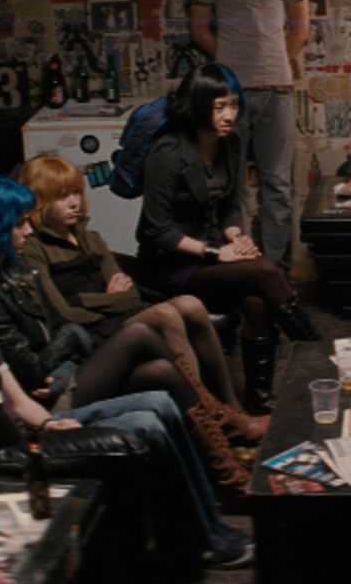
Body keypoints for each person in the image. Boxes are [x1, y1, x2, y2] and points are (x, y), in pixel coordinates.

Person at [0, 225, 253, 572]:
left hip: (36, 430)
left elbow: (19, 401)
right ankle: (195, 541)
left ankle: (207, 522)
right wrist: (37, 437)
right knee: (145, 422)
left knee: (160, 400)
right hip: (9, 451)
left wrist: (50, 424)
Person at [0, 176, 256, 490]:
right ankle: (224, 433)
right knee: (140, 334)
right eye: (18, 224)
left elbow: (59, 326)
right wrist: (70, 344)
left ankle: (221, 462)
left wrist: (67, 350)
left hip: (65, 371)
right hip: (47, 400)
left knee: (160, 370)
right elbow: (36, 368)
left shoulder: (17, 268)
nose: (28, 230)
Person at [135, 63, 319, 415]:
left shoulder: (230, 144)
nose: (229, 115)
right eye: (219, 107)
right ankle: (321, 357)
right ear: (198, 106)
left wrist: (236, 237)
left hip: (212, 253)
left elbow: (231, 207)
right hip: (169, 263)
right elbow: (156, 230)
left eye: (234, 105)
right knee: (265, 271)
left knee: (258, 302)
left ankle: (259, 400)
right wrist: (215, 252)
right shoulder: (168, 152)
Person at [17, 154, 246, 414]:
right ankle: (205, 410)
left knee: (190, 304)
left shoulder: (91, 238)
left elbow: (131, 296)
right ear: (39, 202)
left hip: (120, 318)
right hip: (91, 334)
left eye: (76, 193)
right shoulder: (35, 248)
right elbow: (63, 314)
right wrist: (109, 298)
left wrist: (91, 300)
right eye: (62, 197)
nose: (74, 203)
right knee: (164, 313)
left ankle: (232, 407)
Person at [189, 0, 309, 271]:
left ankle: (275, 271)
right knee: (229, 185)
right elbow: (199, 29)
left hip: (277, 90)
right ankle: (239, 268)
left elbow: (301, 27)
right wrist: (227, 62)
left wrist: (278, 60)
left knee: (278, 185)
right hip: (229, 92)